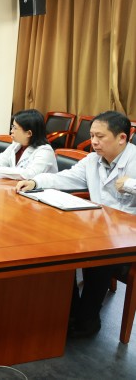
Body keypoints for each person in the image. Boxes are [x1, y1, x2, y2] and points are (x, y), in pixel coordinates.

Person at [17, 111, 136, 337]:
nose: (94, 142)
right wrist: (35, 181)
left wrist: (131, 185)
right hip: (99, 227)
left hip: (126, 238)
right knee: (61, 248)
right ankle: (71, 313)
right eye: (92, 136)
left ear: (122, 138)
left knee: (98, 256)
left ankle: (87, 320)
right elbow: (65, 177)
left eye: (100, 136)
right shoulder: (93, 159)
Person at [0, 109, 57, 179]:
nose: (11, 131)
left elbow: (29, 174)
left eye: (15, 128)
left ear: (29, 133)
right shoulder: (17, 144)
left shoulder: (45, 151)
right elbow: (2, 159)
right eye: (12, 127)